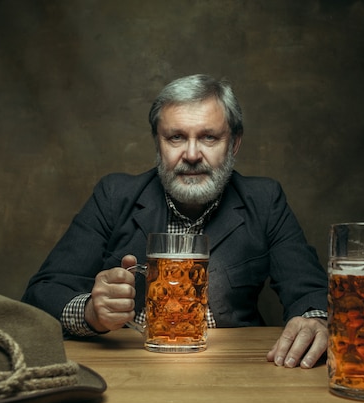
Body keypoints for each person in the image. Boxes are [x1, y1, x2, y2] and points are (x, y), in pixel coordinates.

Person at [22, 74, 329, 368]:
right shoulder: (114, 195)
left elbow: (308, 290)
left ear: (234, 143)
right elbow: (42, 293)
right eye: (176, 137)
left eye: (209, 137)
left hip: (233, 367)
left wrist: (314, 320)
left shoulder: (264, 200)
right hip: (130, 367)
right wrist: (90, 313)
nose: (192, 154)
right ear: (158, 143)